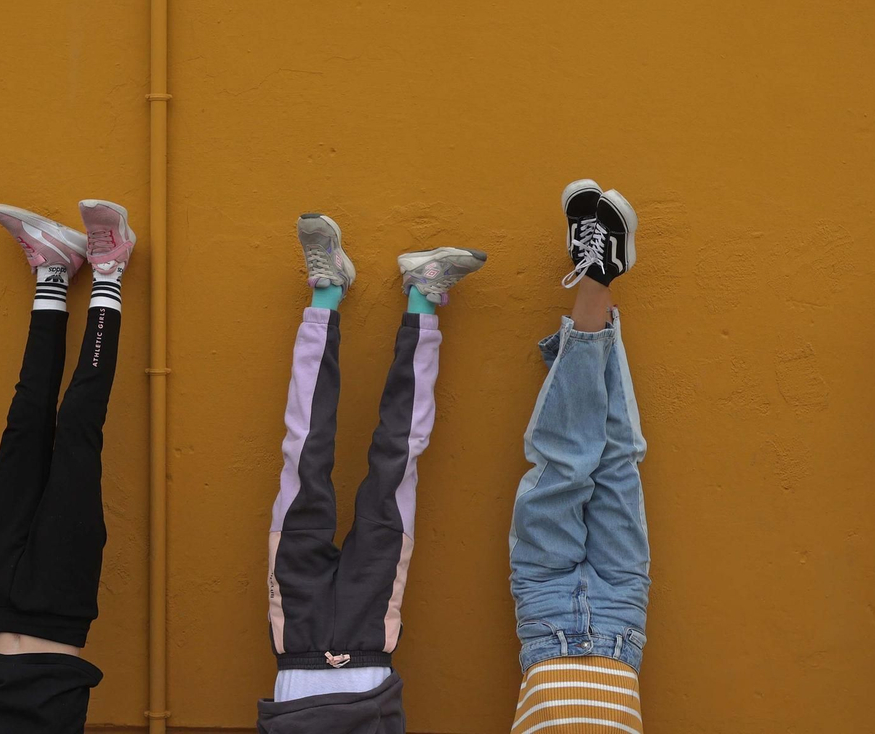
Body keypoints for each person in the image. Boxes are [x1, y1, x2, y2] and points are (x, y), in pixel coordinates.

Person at [256, 214, 487, 734]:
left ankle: (327, 289)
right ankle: (424, 297)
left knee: (304, 452)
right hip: (371, 630)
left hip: (296, 637)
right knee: (397, 459)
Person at [0, 199, 135, 734]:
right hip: (60, 600)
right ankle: (109, 271)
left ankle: (54, 272)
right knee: (79, 426)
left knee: (24, 424)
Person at [507, 179, 648, 734]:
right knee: (617, 459)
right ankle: (599, 277)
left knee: (564, 465)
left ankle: (599, 276)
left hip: (543, 611)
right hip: (620, 619)